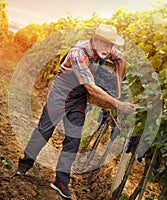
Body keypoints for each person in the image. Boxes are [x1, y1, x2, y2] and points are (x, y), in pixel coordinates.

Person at [15, 24, 135, 199]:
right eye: (105, 44)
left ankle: (61, 181)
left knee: (73, 139)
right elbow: (91, 88)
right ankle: (24, 165)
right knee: (44, 131)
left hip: (79, 97)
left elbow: (121, 59)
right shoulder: (78, 53)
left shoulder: (107, 50)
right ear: (94, 39)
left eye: (111, 45)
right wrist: (117, 103)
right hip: (61, 93)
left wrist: (117, 84)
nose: (109, 49)